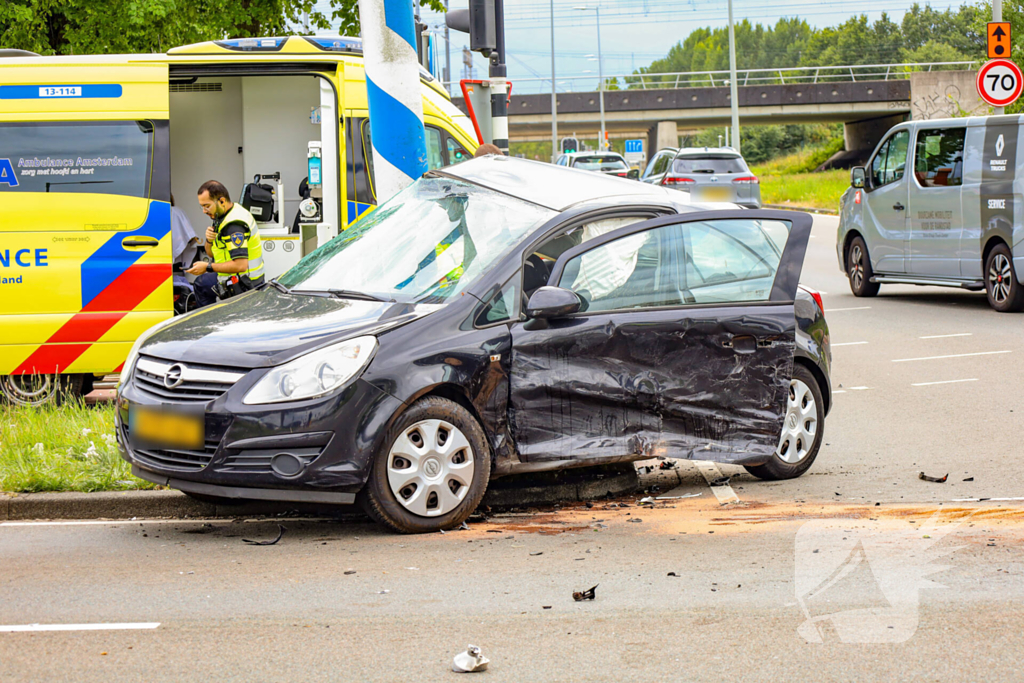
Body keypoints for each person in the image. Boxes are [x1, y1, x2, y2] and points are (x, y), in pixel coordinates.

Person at [185, 180, 265, 306]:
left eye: (207, 206)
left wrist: (207, 267)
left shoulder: (233, 226)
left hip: (245, 283)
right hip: (238, 277)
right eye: (202, 207)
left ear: (222, 201)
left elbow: (240, 266)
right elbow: (211, 254)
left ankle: (208, 323)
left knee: (202, 284)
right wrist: (209, 240)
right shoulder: (223, 215)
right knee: (202, 283)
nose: (204, 211)